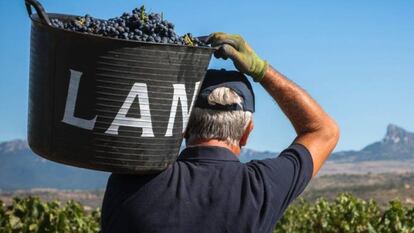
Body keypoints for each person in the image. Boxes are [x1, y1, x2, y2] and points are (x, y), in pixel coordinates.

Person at [100, 32, 340, 233]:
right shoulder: (263, 186)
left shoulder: (132, 179)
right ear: (247, 133)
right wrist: (260, 70)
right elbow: (323, 131)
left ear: (182, 127)